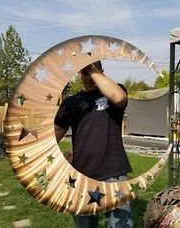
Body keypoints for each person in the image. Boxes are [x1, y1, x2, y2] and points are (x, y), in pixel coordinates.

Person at [54, 60, 133, 228]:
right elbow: (56, 134)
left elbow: (119, 98)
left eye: (93, 73)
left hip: (114, 175)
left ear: (101, 72)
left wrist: (90, 68)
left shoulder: (115, 91)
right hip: (81, 177)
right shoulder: (71, 103)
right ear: (79, 75)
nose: (89, 78)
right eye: (84, 74)